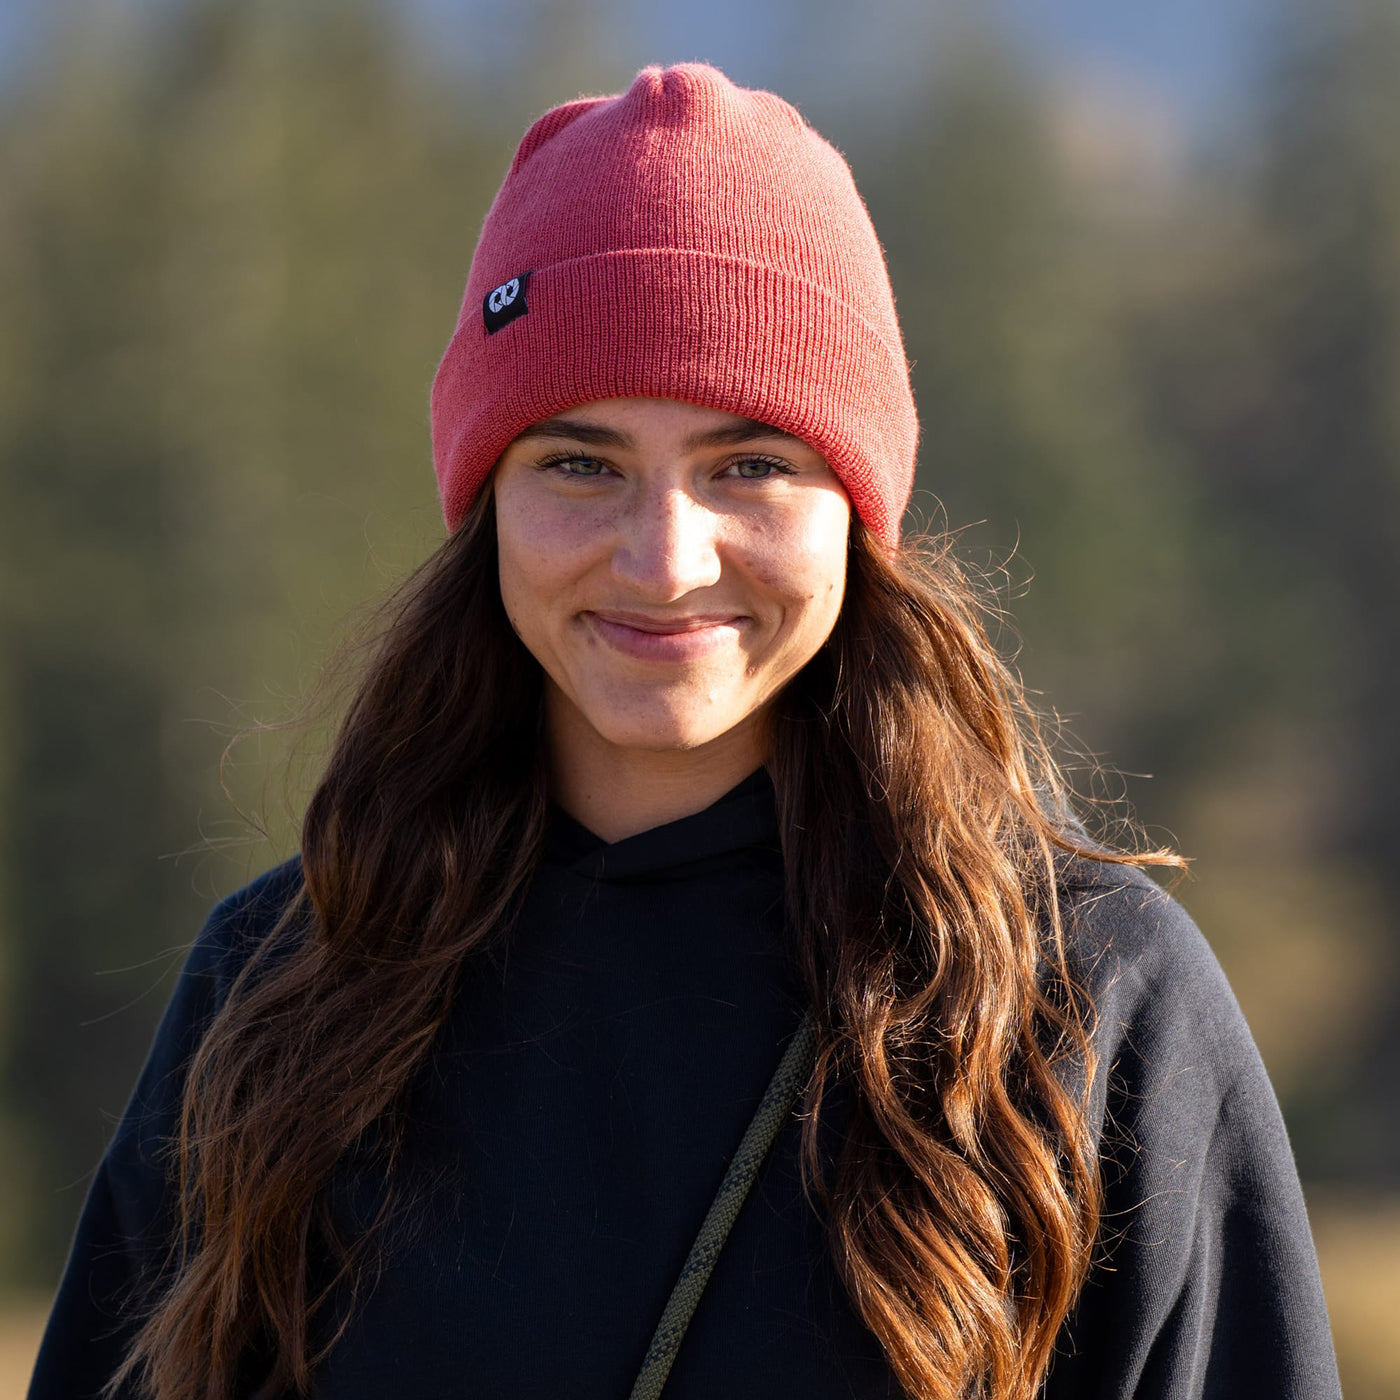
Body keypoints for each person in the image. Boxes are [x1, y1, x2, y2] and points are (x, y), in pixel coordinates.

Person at [29, 62, 1339, 1400]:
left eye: (750, 466)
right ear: (488, 504)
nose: (663, 562)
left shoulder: (1084, 1001)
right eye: (580, 463)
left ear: (857, 508)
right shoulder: (283, 992)